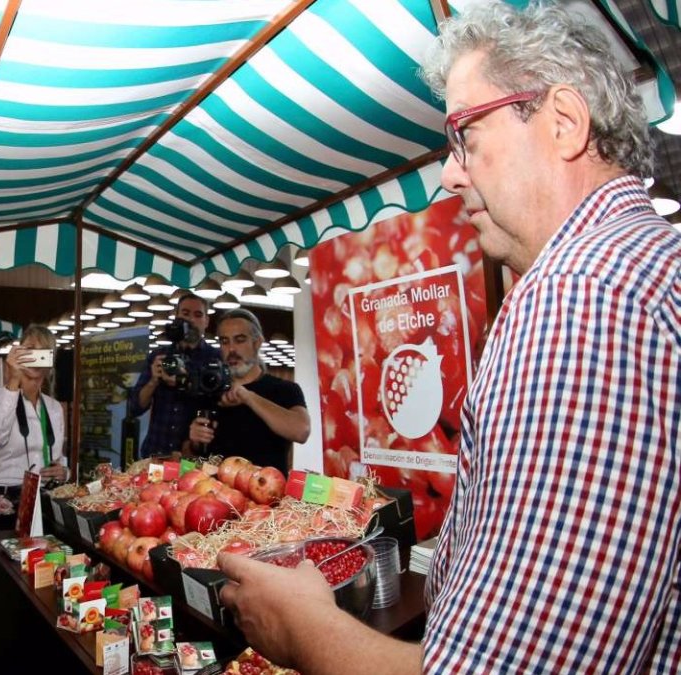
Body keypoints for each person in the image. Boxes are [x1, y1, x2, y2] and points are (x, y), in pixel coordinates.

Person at [218, 4, 681, 673]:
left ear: (564, 122)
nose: (449, 173)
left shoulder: (582, 296)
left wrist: (305, 627)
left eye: (465, 134)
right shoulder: (646, 264)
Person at [186, 308, 309, 472]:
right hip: (214, 492)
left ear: (257, 343)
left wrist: (248, 397)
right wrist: (194, 442)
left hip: (266, 492)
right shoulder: (209, 391)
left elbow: (301, 431)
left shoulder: (284, 389)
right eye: (224, 341)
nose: (231, 350)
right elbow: (188, 457)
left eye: (239, 340)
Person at [0, 325, 69, 527]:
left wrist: (64, 472)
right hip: (5, 499)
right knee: (2, 557)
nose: (36, 355)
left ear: (50, 359)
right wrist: (13, 381)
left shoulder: (53, 407)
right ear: (18, 352)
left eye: (43, 350)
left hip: (43, 499)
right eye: (30, 349)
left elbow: (58, 458)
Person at [128, 292, 221, 456]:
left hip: (193, 456)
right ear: (176, 316)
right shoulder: (159, 355)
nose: (191, 320)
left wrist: (184, 381)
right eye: (185, 313)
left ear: (206, 321)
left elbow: (217, 402)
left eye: (198, 315)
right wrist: (153, 381)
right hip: (156, 451)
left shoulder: (216, 358)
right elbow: (135, 407)